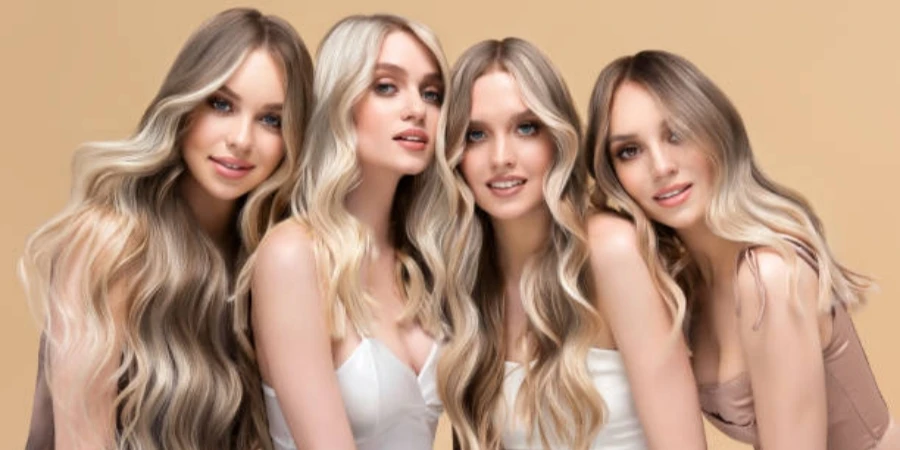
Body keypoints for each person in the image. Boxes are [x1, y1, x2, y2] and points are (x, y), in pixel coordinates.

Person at [20, 8, 313, 449]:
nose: (241, 139)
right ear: (184, 103)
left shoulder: (270, 260)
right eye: (221, 104)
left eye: (271, 119)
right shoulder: (111, 243)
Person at [585, 49, 898, 449]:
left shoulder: (771, 276)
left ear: (715, 130)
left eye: (676, 133)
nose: (661, 166)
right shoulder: (684, 285)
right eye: (629, 151)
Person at [436, 38, 706, 450]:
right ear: (454, 154)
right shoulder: (468, 280)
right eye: (476, 135)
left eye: (526, 127)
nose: (501, 157)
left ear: (557, 139)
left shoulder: (609, 250)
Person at [240, 14, 450, 450]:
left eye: (431, 93)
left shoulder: (425, 263)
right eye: (386, 87)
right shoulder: (293, 254)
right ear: (340, 99)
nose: (417, 109)